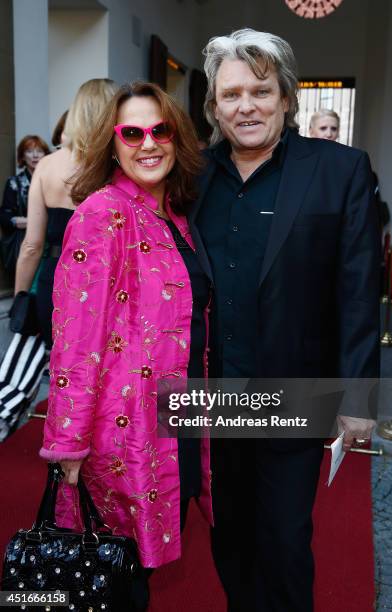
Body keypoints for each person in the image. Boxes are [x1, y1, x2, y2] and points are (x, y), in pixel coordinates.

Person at [187, 28, 380, 612]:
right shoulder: (191, 176)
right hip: (210, 394)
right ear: (214, 106)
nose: (246, 106)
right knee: (228, 538)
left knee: (286, 540)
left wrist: (359, 396)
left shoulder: (339, 169)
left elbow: (357, 287)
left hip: (295, 387)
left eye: (261, 91)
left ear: (287, 98)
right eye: (231, 94)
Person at [39, 81, 212, 606]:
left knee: (137, 575)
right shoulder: (101, 214)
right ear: (112, 144)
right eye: (131, 132)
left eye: (160, 130)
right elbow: (74, 338)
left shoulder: (176, 217)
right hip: (124, 433)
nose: (148, 143)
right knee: (114, 578)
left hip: (178, 421)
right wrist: (66, 444)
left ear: (177, 138)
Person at [14, 79, 118, 349]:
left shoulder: (47, 165)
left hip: (55, 282)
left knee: (63, 372)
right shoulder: (119, 167)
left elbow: (32, 246)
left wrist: (21, 297)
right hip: (107, 285)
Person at [0, 135, 50, 276]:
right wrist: (24, 222)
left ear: (46, 155)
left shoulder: (53, 181)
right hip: (25, 241)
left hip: (50, 243)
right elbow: (4, 215)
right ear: (22, 156)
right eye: (29, 151)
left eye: (39, 151)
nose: (34, 155)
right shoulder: (14, 183)